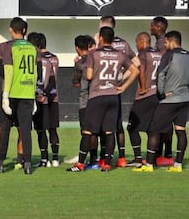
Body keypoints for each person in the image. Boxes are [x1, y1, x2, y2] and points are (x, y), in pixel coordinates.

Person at [67, 26, 139, 172]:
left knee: (88, 131)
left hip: (97, 95)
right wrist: (123, 87)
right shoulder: (120, 54)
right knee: (109, 131)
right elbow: (135, 70)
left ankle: (80, 164)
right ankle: (106, 164)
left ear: (100, 38)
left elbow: (88, 76)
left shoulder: (94, 54)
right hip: (113, 96)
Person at [133, 30, 189, 173]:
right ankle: (177, 165)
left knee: (154, 129)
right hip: (185, 99)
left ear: (172, 41)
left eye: (166, 42)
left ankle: (148, 165)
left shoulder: (169, 55)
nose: (164, 45)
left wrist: (161, 93)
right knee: (180, 131)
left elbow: (161, 74)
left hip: (170, 100)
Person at [0, 17, 41, 175]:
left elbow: (4, 71)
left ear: (11, 30)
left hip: (11, 92)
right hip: (27, 93)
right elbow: (37, 72)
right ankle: (27, 164)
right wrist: (33, 95)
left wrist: (5, 95)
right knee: (25, 130)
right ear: (25, 31)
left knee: (4, 128)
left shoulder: (5, 47)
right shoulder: (34, 48)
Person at [95, 16, 140, 168]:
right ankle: (121, 157)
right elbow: (137, 64)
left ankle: (103, 158)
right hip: (116, 89)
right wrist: (121, 78)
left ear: (103, 26)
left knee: (103, 126)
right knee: (118, 124)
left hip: (100, 89)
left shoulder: (101, 43)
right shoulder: (124, 44)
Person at [126, 32, 162, 167]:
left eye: (137, 42)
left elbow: (141, 70)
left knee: (132, 127)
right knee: (152, 129)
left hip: (145, 96)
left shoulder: (143, 54)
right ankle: (150, 160)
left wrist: (142, 88)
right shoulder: (159, 54)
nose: (136, 45)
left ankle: (138, 158)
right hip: (157, 94)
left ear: (142, 41)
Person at [31, 33, 60, 167]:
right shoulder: (54, 58)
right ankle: (55, 159)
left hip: (40, 97)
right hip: (53, 96)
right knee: (53, 128)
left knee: (41, 129)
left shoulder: (35, 59)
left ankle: (44, 159)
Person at [70, 35, 97, 169]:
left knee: (86, 132)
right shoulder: (97, 59)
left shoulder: (80, 63)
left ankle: (81, 162)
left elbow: (75, 83)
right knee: (96, 132)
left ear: (77, 48)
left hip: (85, 102)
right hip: (98, 99)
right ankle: (94, 160)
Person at [150, 16, 173, 166]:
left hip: (165, 86)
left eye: (152, 25)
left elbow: (165, 65)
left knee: (163, 121)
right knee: (164, 120)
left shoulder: (162, 43)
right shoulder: (161, 42)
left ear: (159, 27)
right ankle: (164, 153)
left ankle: (166, 153)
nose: (150, 27)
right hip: (166, 85)